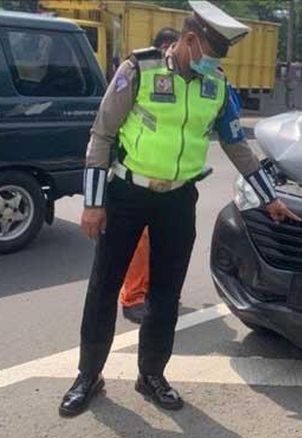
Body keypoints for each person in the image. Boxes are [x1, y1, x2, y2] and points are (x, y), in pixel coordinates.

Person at [59, 0, 300, 418]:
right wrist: (93, 204)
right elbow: (101, 136)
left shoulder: (217, 86)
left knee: (166, 293)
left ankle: (151, 375)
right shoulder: (138, 70)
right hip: (127, 196)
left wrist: (270, 198)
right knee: (103, 288)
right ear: (190, 40)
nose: (215, 63)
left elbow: (236, 145)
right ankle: (88, 375)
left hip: (178, 201)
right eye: (211, 53)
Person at [120, 26, 181, 325]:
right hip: (133, 178)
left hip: (171, 185)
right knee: (139, 243)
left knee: (159, 244)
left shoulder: (184, 81)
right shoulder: (140, 74)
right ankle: (132, 297)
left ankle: (149, 293)